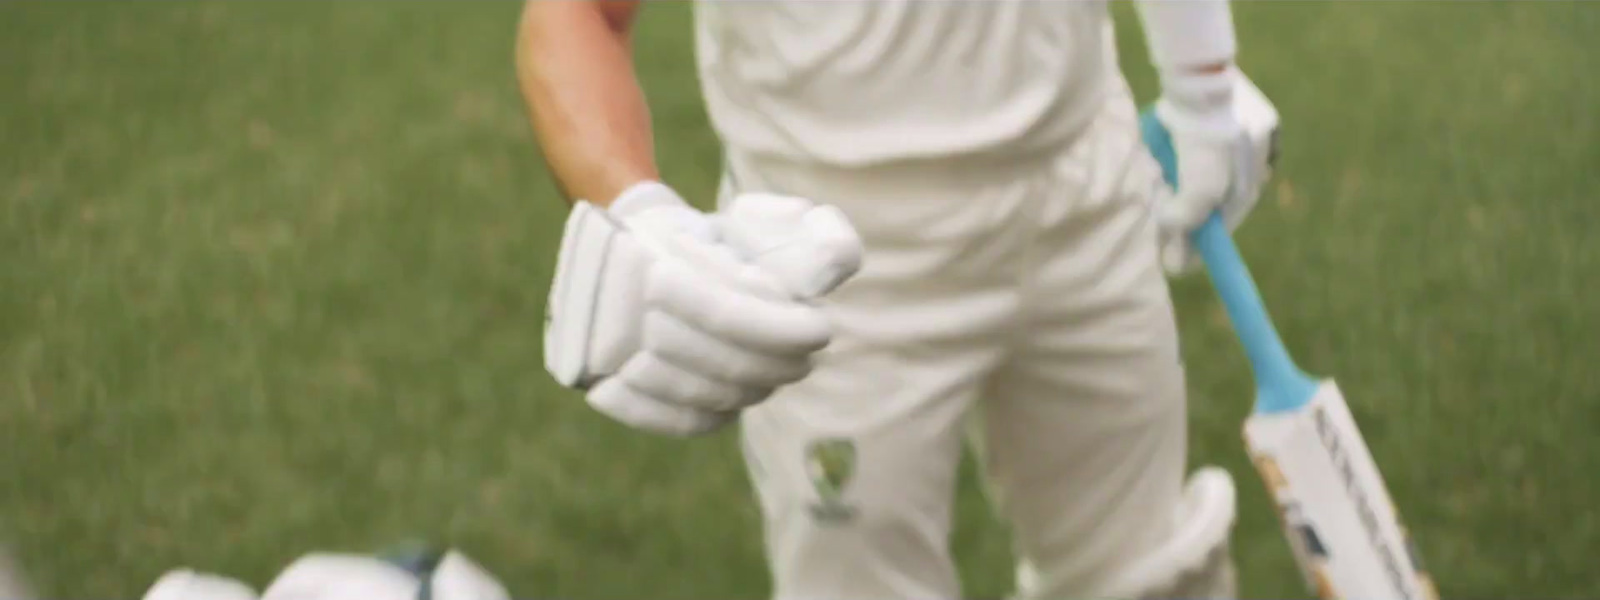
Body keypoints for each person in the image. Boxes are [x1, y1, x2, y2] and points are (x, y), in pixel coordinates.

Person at [522, 1, 1277, 598]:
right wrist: (638, 210)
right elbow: (578, 13)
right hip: (837, 259)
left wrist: (1202, 86)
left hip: (1084, 195)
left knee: (1145, 575)